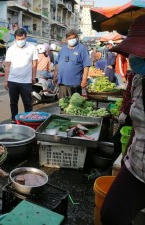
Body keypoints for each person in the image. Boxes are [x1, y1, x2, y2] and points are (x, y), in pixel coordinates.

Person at [100, 15, 145, 225]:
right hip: (136, 164)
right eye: (135, 54)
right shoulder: (138, 80)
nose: (135, 59)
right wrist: (126, 153)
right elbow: (137, 125)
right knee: (111, 214)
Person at [4, 28, 38, 123]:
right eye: (18, 39)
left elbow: (35, 64)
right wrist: (6, 80)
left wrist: (33, 77)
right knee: (13, 103)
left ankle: (29, 120)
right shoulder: (10, 49)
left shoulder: (32, 48)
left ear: (25, 37)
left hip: (26, 82)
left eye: (22, 39)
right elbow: (7, 65)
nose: (20, 41)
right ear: (15, 39)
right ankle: (14, 120)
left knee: (27, 103)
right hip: (13, 80)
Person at [53, 29, 91, 98]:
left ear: (77, 38)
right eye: (69, 38)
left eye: (73, 38)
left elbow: (86, 65)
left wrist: (84, 79)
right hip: (62, 82)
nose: (71, 40)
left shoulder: (82, 49)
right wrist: (55, 75)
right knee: (63, 104)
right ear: (66, 39)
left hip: (75, 83)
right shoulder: (63, 49)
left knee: (74, 105)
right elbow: (57, 63)